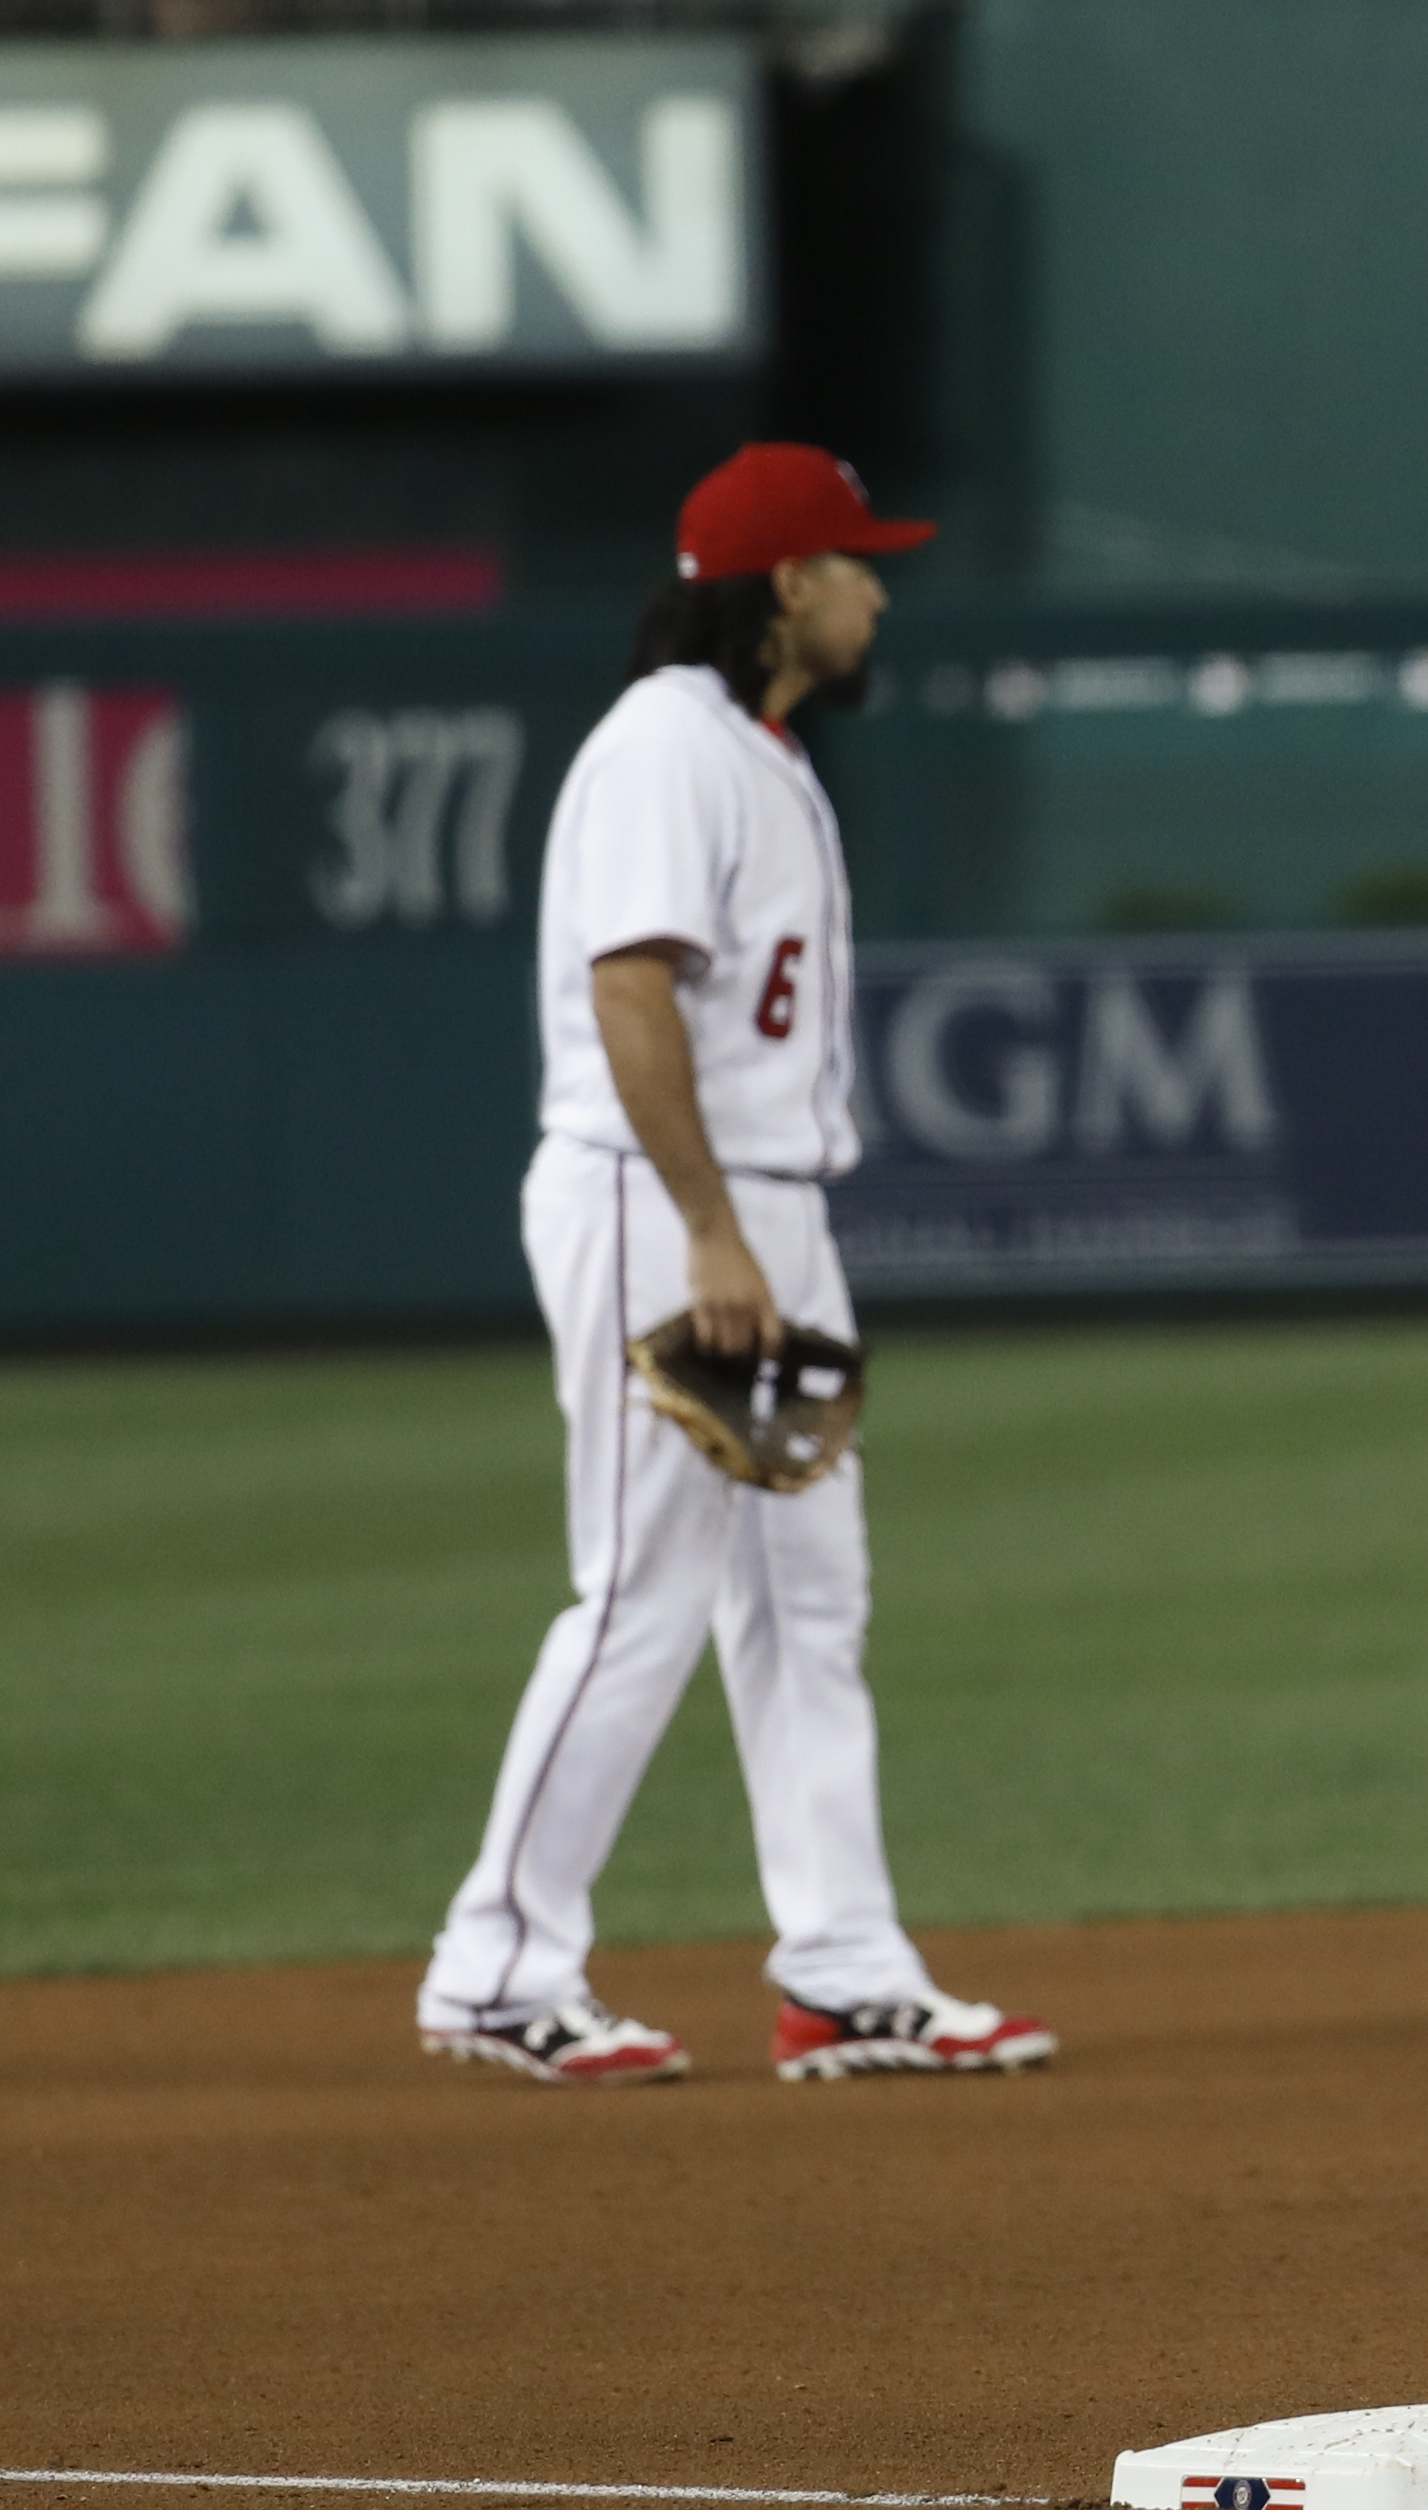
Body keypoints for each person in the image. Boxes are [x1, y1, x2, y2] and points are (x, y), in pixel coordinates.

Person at [416, 444, 1056, 2090]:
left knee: (808, 1600)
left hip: (760, 1202)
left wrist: (750, 1225)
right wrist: (709, 1228)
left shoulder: (751, 750)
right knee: (642, 1587)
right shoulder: (661, 750)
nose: (878, 587)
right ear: (785, 585)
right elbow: (633, 994)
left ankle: (845, 1968)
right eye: (856, 561)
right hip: (660, 1198)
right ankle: (498, 1962)